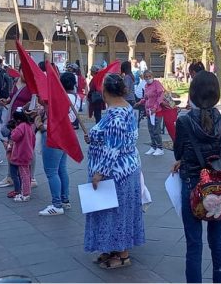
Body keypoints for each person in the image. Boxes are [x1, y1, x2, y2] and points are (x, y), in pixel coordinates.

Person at [172, 71, 221, 283]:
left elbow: (178, 152)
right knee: (217, 241)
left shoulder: (184, 122)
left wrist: (184, 160)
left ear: (193, 93)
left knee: (194, 244)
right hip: (217, 185)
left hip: (192, 184)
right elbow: (217, 154)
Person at [84, 74, 144, 269]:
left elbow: (114, 147)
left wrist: (99, 173)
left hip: (117, 173)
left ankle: (123, 254)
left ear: (105, 91)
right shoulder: (123, 107)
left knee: (117, 214)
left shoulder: (117, 114)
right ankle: (111, 248)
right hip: (124, 170)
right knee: (110, 212)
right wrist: (94, 138)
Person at [33, 72, 78, 216]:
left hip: (55, 136)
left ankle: (57, 204)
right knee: (61, 169)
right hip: (67, 135)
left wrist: (41, 125)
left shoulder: (61, 98)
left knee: (51, 170)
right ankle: (64, 200)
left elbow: (55, 120)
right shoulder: (76, 97)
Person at [0, 65, 36, 189]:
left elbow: (36, 103)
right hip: (13, 120)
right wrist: (6, 101)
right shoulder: (15, 81)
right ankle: (11, 176)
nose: (24, 74)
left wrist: (31, 110)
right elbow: (12, 96)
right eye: (22, 70)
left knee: (28, 148)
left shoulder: (33, 85)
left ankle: (31, 177)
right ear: (19, 71)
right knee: (11, 147)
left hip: (26, 122)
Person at [7, 108, 35, 202]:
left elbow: (15, 136)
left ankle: (25, 194)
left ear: (17, 119)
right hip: (28, 153)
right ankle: (24, 191)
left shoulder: (20, 127)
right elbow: (33, 139)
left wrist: (13, 130)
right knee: (27, 173)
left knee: (24, 174)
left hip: (21, 154)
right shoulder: (28, 126)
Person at [137, 70, 165, 156]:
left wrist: (155, 107)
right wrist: (140, 102)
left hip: (156, 111)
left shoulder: (156, 83)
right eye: (146, 77)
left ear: (152, 76)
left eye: (150, 76)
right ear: (144, 78)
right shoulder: (146, 86)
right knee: (151, 130)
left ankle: (160, 148)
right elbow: (146, 98)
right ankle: (153, 146)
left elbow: (161, 95)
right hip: (149, 111)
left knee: (156, 130)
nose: (148, 78)